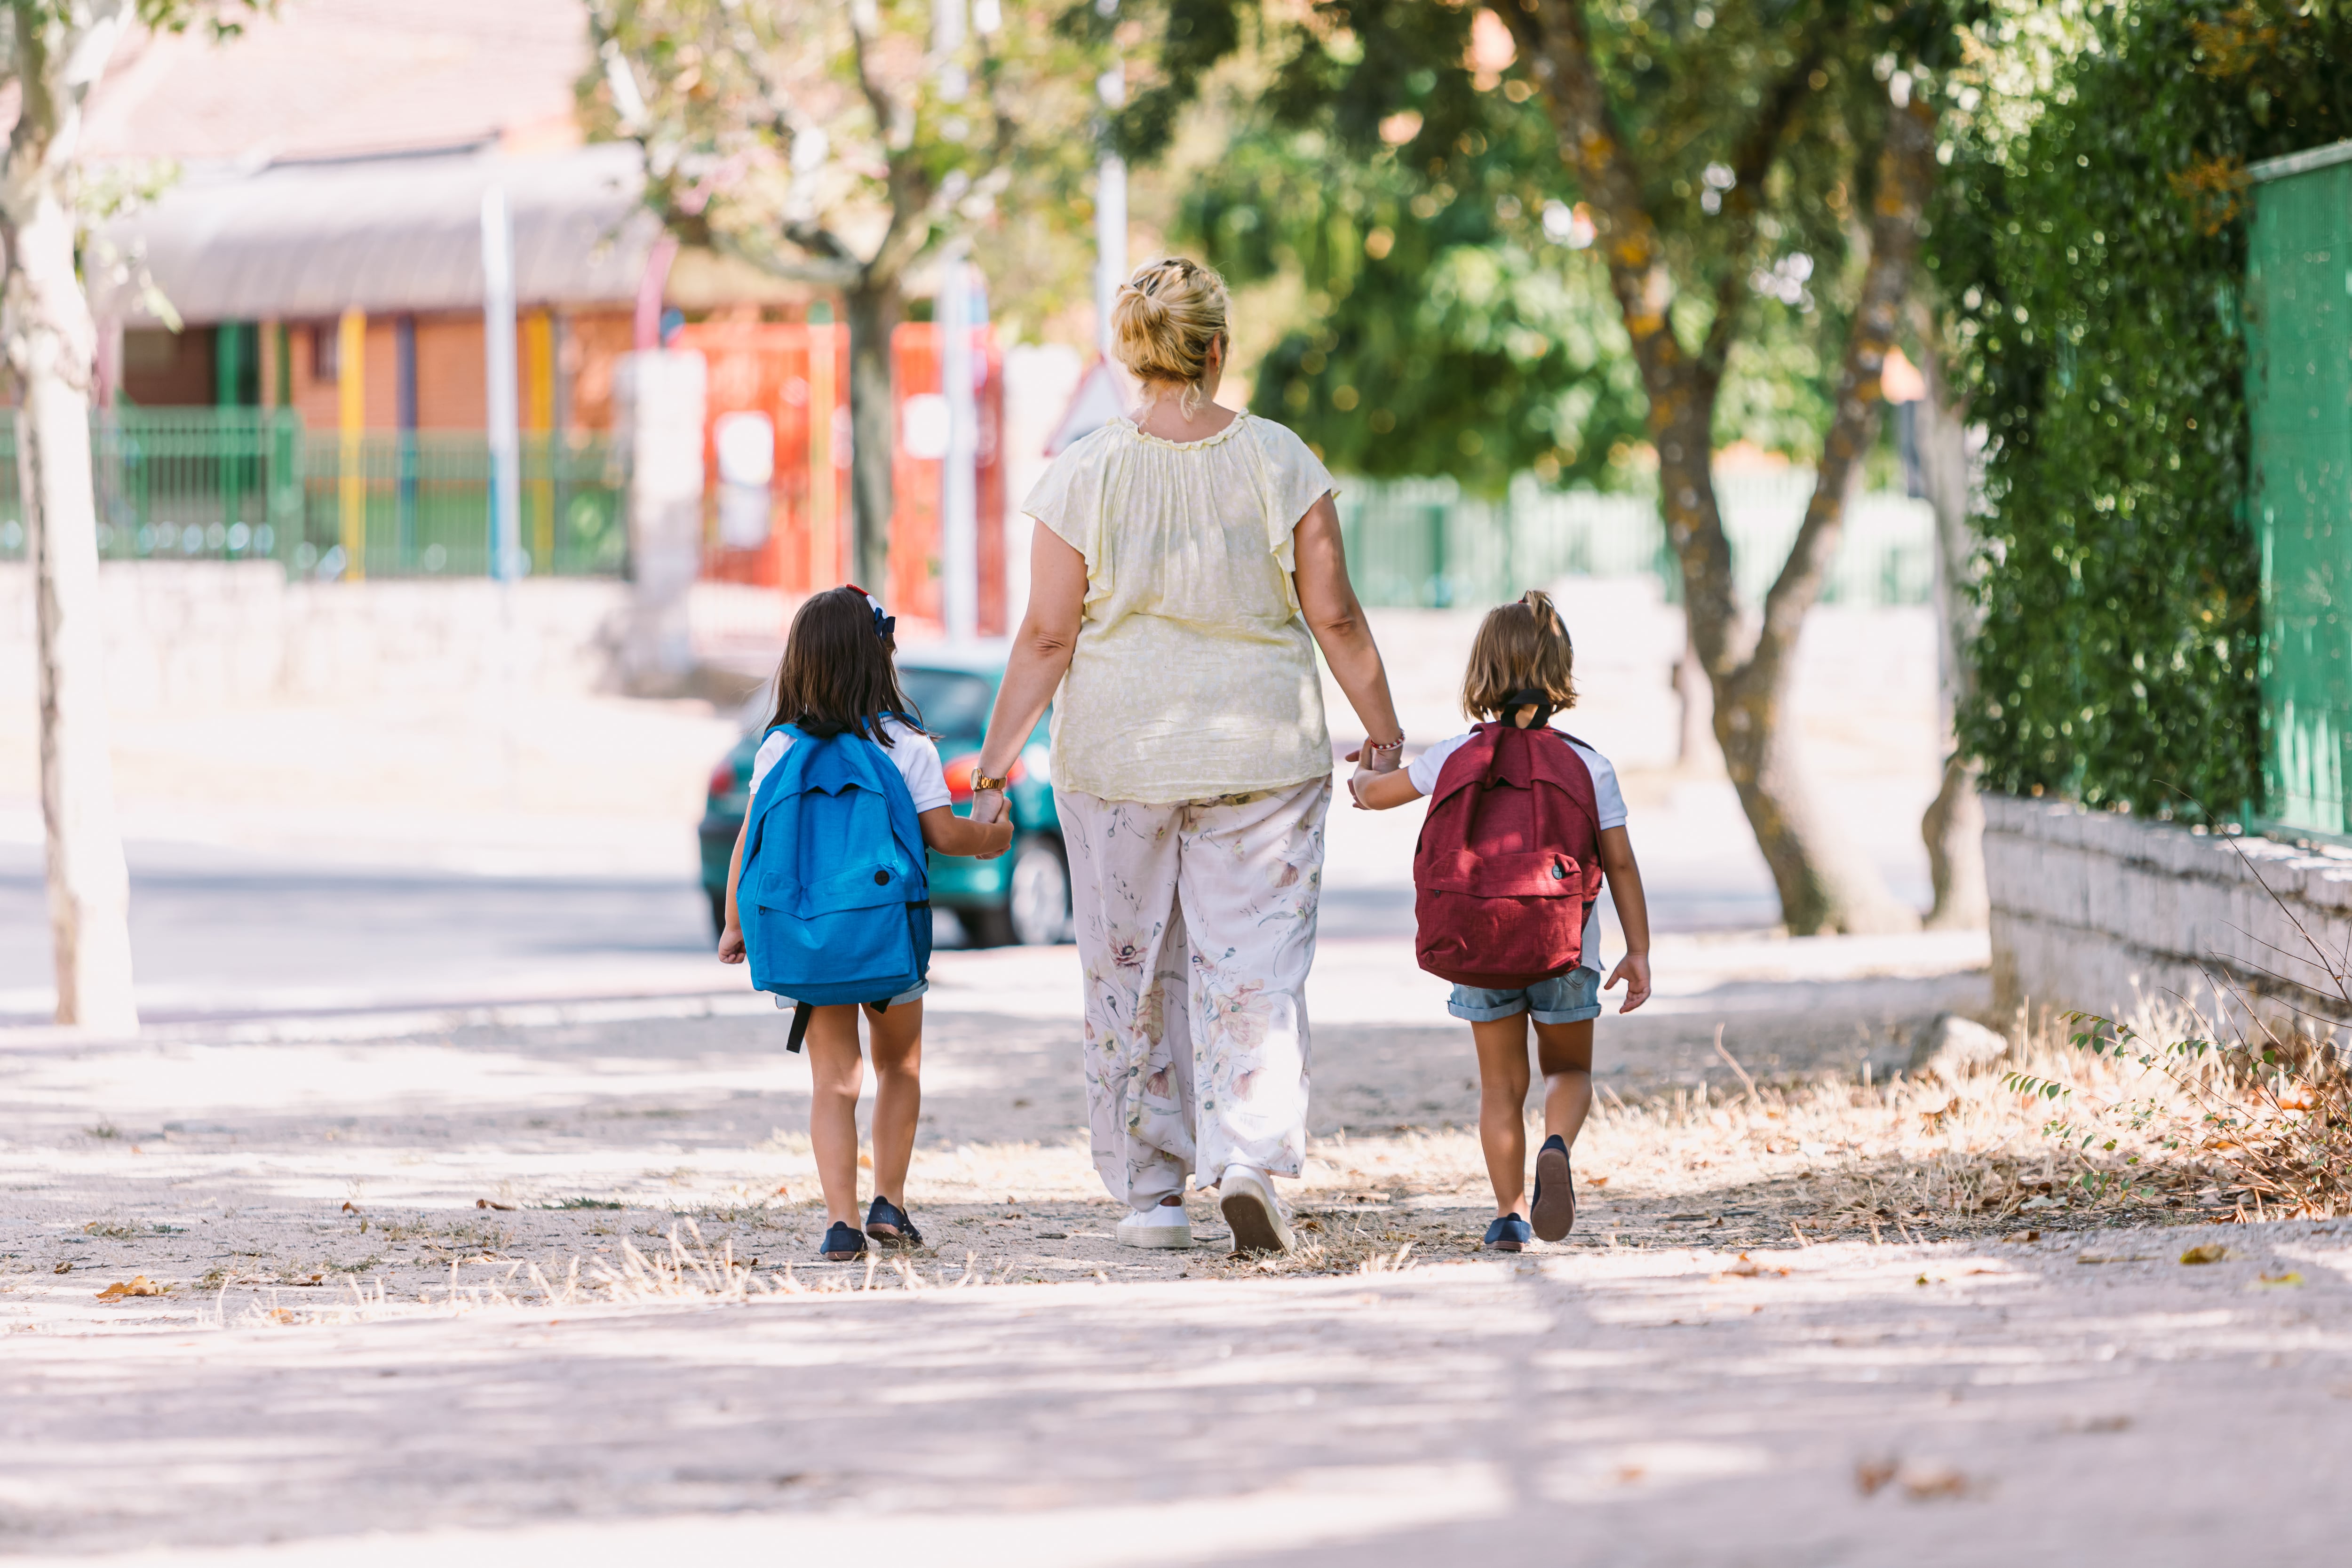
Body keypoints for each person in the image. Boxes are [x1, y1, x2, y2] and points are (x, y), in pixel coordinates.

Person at [965, 256, 1406, 1255]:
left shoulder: (1082, 471)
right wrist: (1382, 732)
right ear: (1218, 347)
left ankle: (1151, 1196)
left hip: (1117, 762)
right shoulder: (1280, 460)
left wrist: (993, 769)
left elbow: (1044, 636)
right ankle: (1247, 1153)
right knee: (1254, 966)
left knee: (1128, 970)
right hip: (1264, 758)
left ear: (1131, 354)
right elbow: (1332, 615)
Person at [717, 585, 1013, 1262]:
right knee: (898, 1066)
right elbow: (943, 835)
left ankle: (841, 1224)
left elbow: (749, 841)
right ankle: (890, 1203)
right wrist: (993, 834)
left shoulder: (777, 748)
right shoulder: (907, 744)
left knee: (834, 1080)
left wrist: (736, 922)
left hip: (811, 937)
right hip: (886, 934)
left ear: (802, 663)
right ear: (880, 657)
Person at [1354, 590, 1653, 1250]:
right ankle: (1556, 1144)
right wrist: (1639, 950)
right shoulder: (1588, 764)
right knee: (1568, 1072)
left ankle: (1510, 1213)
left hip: (1477, 941)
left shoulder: (1453, 754)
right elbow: (1623, 865)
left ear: (1481, 673)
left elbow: (1375, 796)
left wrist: (1370, 772)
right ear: (1561, 672)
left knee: (1500, 1086)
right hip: (1566, 947)